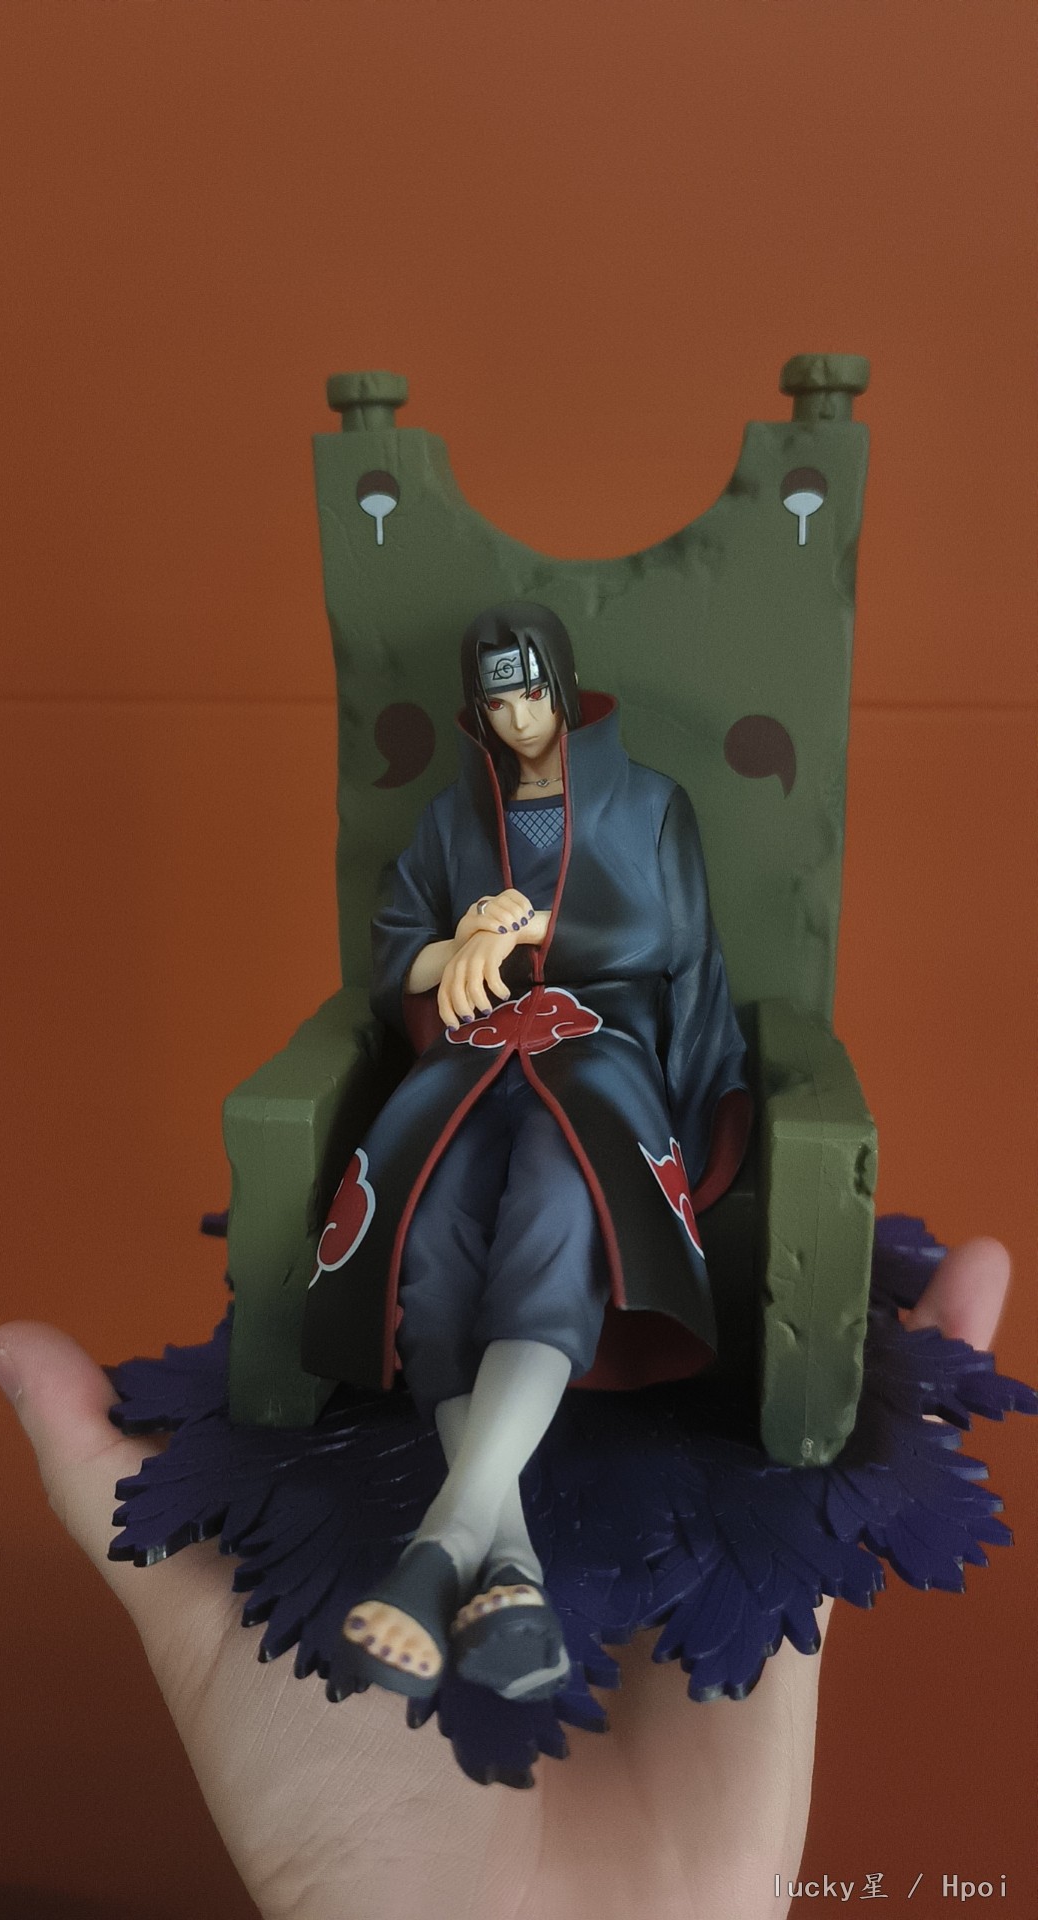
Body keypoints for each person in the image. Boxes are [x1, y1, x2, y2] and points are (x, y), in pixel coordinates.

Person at [0, 1239, 1010, 1920]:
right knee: (460, 1293)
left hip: (614, 1228)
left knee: (514, 1281)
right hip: (472, 1196)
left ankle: (461, 1534)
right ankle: (487, 1546)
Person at [301, 603, 751, 1704]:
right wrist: (460, 943)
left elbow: (675, 948)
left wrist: (529, 930)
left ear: (565, 683)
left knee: (559, 1196)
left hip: (599, 1055)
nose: (518, 720)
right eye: (496, 702)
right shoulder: (452, 819)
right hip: (469, 1060)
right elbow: (397, 956)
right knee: (429, 1224)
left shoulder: (651, 805)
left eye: (533, 694)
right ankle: (508, 1571)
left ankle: (442, 1544)